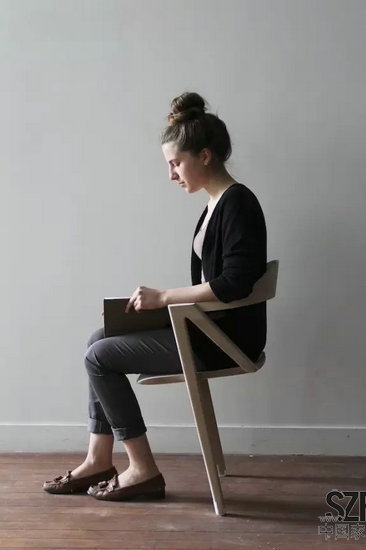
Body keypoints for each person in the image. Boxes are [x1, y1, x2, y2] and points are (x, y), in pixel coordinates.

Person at [43, 92, 267, 501]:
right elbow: (217, 286)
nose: (171, 175)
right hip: (206, 328)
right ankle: (98, 458)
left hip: (222, 341)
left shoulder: (238, 204)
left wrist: (163, 298)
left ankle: (142, 469)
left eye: (175, 163)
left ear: (204, 156)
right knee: (99, 338)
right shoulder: (214, 206)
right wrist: (146, 312)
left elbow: (235, 283)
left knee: (99, 357)